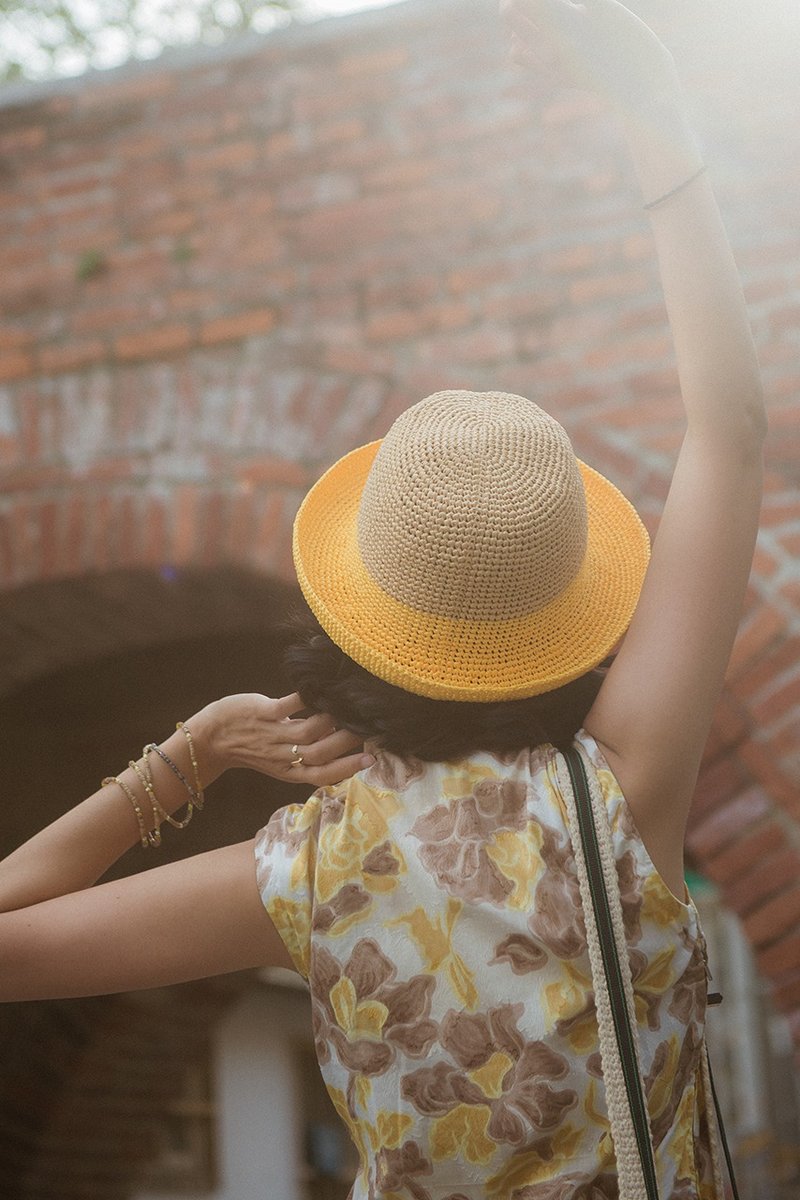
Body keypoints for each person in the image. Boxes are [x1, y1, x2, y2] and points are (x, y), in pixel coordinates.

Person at [0, 1, 766, 1196]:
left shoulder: (312, 869)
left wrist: (184, 759)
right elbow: (727, 434)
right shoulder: (625, 791)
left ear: (365, 616)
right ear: (571, 612)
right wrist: (650, 117)